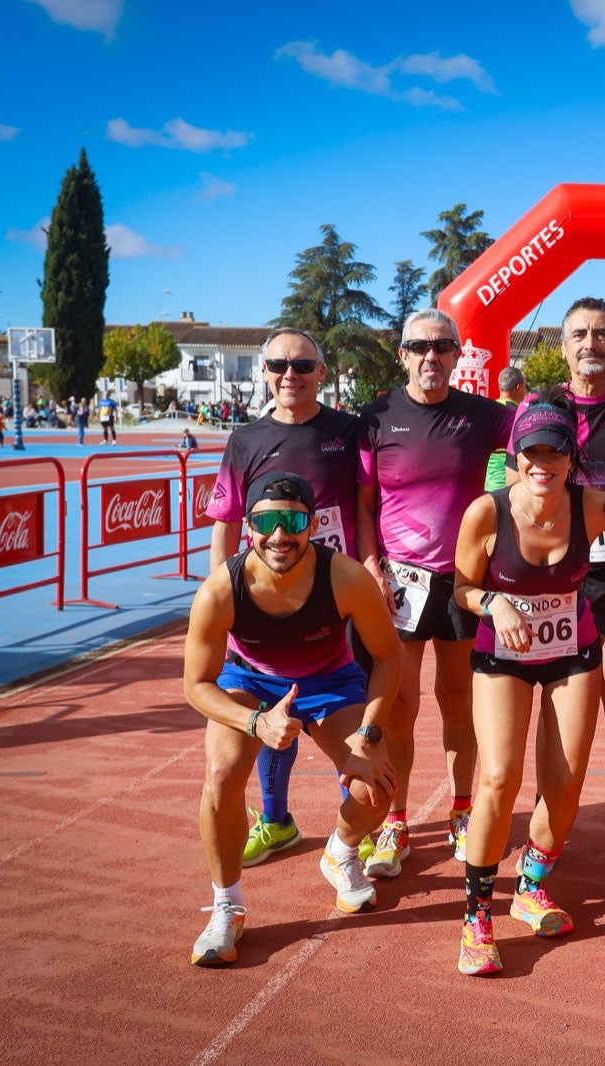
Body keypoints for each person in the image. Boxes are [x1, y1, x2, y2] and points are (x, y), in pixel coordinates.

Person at [450, 395, 605, 976]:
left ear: (570, 457)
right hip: (502, 654)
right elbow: (459, 589)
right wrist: (493, 601)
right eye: (530, 451)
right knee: (500, 777)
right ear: (514, 456)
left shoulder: (594, 505)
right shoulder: (487, 513)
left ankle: (529, 884)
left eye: (553, 452)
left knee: (564, 786)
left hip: (573, 651)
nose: (542, 462)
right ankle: (476, 916)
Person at [182, 471, 402, 967]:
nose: (280, 535)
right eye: (267, 521)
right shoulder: (221, 589)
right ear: (249, 525)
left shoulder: (345, 576)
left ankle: (342, 852)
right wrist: (256, 723)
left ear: (312, 524)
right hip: (251, 680)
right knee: (220, 776)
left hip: (329, 679)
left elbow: (388, 657)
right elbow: (196, 685)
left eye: (293, 520)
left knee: (378, 789)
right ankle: (226, 904)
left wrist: (368, 733)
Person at [357, 309, 517, 874]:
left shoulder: (482, 415)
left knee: (457, 701)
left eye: (442, 347)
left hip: (462, 583)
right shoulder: (375, 418)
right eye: (420, 347)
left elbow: (548, 422)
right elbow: (364, 503)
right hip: (397, 582)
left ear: (457, 355)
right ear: (402, 354)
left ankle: (461, 809)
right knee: (400, 704)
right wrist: (370, 564)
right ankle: (396, 820)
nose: (431, 357)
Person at [205, 329, 366, 871]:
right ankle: (277, 820)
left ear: (321, 371)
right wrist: (222, 595)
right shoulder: (245, 438)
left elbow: (370, 501)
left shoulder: (349, 430)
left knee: (347, 707)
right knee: (276, 704)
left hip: (337, 599)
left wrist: (370, 570)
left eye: (302, 364)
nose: (290, 374)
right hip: (266, 597)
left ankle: (357, 824)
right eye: (278, 364)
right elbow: (226, 522)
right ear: (265, 372)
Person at [511, 298, 605, 879]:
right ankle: (548, 820)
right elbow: (521, 476)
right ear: (565, 345)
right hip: (557, 575)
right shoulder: (540, 406)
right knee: (557, 700)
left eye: (602, 334)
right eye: (579, 334)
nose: (590, 343)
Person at [484, 366, 527, 491]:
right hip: (509, 483)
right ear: (518, 387)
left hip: (486, 484)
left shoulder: (486, 411)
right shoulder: (518, 415)